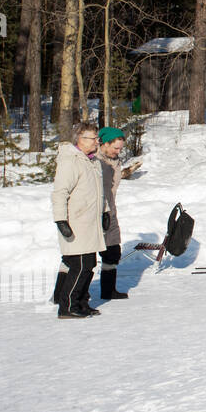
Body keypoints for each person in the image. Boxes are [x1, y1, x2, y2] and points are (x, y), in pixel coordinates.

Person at [51, 122, 108, 319]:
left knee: (89, 264)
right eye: (92, 138)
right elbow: (60, 193)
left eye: (96, 138)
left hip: (90, 222)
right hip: (76, 222)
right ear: (80, 140)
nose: (96, 142)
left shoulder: (93, 162)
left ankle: (81, 302)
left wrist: (106, 212)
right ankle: (67, 306)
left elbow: (99, 192)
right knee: (79, 265)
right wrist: (60, 220)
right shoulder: (71, 161)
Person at [94, 127, 129, 301]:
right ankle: (63, 294)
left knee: (113, 250)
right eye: (115, 148)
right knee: (82, 256)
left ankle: (108, 290)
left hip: (110, 208)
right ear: (104, 144)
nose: (118, 151)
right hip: (95, 211)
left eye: (120, 148)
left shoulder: (114, 161)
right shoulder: (95, 161)